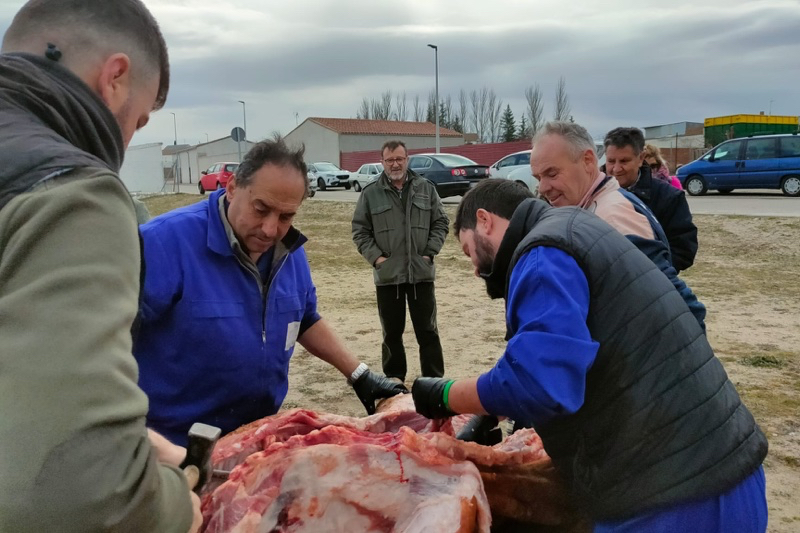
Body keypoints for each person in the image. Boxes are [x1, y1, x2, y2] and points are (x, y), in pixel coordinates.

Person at [412, 179, 768, 532]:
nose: (475, 268)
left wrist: (446, 396)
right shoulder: (578, 228)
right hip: (729, 471)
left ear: (484, 220)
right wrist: (493, 407)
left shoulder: (541, 254)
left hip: (669, 498)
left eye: (467, 251)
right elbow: (576, 358)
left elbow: (538, 384)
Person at [0, 1, 200, 531]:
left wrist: (139, 442)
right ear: (115, 77)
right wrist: (178, 504)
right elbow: (82, 490)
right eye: (138, 120)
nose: (128, 138)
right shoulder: (72, 193)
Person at [134, 139, 406, 445]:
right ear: (233, 187)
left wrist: (359, 375)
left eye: (286, 217)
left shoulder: (289, 251)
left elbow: (304, 317)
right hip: (173, 448)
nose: (269, 229)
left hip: (255, 438)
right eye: (260, 209)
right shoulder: (163, 244)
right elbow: (102, 345)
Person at [532, 121, 705, 329]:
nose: (542, 188)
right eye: (538, 177)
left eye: (551, 174)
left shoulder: (612, 216)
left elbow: (681, 307)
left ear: (588, 161)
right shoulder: (596, 205)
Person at [351, 140, 450, 383]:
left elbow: (441, 222)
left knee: (427, 331)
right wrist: (377, 259)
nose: (395, 164)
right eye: (390, 160)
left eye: (399, 159)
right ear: (382, 162)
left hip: (421, 273)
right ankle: (394, 382)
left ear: (407, 159)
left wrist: (429, 252)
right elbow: (360, 230)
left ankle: (434, 382)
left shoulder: (426, 189)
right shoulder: (371, 193)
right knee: (391, 333)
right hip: (388, 276)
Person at [605, 127, 698, 272]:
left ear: (641, 158)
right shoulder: (595, 195)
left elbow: (683, 250)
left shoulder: (669, 197)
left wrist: (650, 272)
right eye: (611, 161)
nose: (616, 169)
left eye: (624, 161)